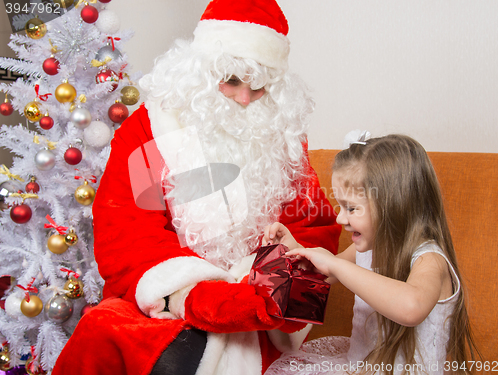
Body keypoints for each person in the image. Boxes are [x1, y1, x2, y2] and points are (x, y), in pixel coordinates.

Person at [52, 1, 341, 374]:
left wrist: (263, 295)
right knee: (104, 331)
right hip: (167, 300)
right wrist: (198, 294)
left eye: (259, 87)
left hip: (256, 310)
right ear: (201, 73)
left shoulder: (280, 137)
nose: (244, 99)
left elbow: (311, 231)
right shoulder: (151, 131)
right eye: (232, 81)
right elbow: (129, 232)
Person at [263, 133, 480, 375]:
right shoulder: (364, 251)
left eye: (352, 208)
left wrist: (336, 266)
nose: (340, 218)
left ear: (393, 205)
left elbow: (411, 308)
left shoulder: (430, 260)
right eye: (340, 206)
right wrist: (294, 250)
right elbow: (320, 275)